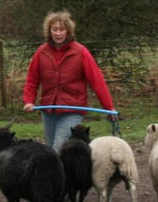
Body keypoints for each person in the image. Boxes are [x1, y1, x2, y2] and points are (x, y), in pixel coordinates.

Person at [22, 9, 117, 152]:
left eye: (62, 29)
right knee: (51, 150)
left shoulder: (80, 52)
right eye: (55, 29)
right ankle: (62, 174)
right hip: (48, 110)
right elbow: (32, 80)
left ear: (68, 32)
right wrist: (28, 101)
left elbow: (97, 81)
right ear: (49, 31)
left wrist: (109, 108)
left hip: (72, 110)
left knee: (57, 149)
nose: (58, 33)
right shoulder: (42, 52)